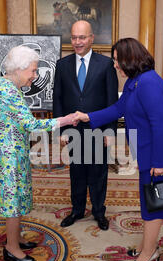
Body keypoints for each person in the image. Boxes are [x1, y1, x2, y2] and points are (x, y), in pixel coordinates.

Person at [73, 38, 163, 261]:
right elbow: (119, 108)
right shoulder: (134, 82)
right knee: (151, 201)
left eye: (117, 60)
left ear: (129, 59)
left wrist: (160, 163)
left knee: (154, 204)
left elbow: (159, 125)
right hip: (149, 152)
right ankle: (148, 246)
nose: (115, 65)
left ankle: (148, 253)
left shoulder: (150, 84)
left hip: (161, 153)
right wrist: (88, 116)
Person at [0, 45, 75, 261]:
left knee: (17, 196)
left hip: (10, 151)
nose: (35, 75)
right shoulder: (6, 90)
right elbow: (31, 124)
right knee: (13, 201)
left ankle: (16, 237)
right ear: (19, 69)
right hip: (6, 156)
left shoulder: (4, 85)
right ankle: (12, 248)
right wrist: (66, 119)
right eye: (32, 70)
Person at [53, 20, 119, 231]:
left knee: (98, 173)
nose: (77, 42)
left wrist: (110, 131)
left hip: (98, 130)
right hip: (73, 130)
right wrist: (61, 130)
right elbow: (58, 99)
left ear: (92, 38)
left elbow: (112, 101)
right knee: (77, 172)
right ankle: (77, 210)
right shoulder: (62, 65)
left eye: (82, 37)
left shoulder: (106, 64)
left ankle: (99, 212)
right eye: (74, 37)